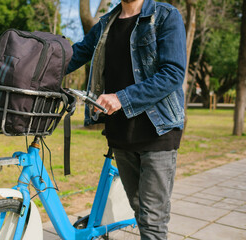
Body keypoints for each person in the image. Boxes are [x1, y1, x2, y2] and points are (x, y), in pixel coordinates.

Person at [66, 0, 186, 239]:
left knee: (152, 220)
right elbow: (76, 55)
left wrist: (122, 98)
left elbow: (173, 72)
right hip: (120, 134)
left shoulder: (165, 16)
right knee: (141, 211)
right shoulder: (105, 24)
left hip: (157, 131)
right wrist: (32, 69)